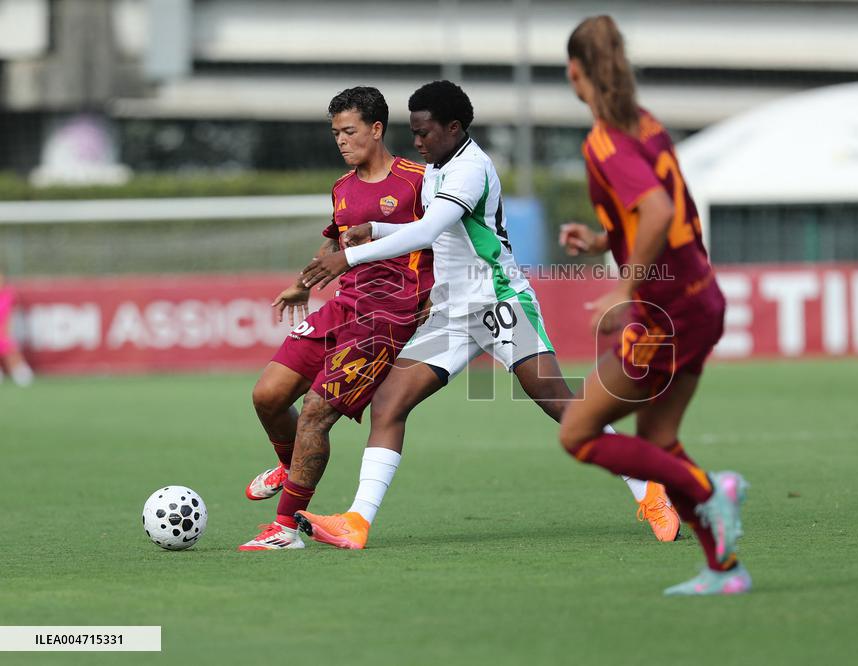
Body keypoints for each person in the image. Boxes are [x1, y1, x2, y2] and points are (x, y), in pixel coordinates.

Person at [292, 80, 680, 550]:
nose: (417, 142)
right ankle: (358, 521)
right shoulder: (439, 165)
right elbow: (429, 228)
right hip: (454, 311)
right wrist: (375, 226)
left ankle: (650, 486)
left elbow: (429, 229)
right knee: (389, 403)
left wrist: (348, 258)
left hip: (498, 302)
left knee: (560, 403)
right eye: (413, 132)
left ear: (454, 128)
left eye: (425, 132)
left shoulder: (470, 168)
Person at [555, 16, 751, 595]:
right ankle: (724, 570)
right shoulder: (645, 125)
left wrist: (623, 286)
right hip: (701, 299)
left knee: (578, 434)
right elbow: (648, 209)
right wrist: (601, 239)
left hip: (665, 311)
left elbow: (660, 211)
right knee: (659, 436)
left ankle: (711, 489)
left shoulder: (602, 141)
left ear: (574, 72)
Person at [238, 86, 434, 550]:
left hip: (387, 316)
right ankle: (290, 465)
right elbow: (334, 241)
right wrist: (302, 284)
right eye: (335, 133)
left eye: (349, 131)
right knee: (267, 395)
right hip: (343, 306)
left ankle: (285, 529)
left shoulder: (419, 181)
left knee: (314, 415)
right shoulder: (343, 187)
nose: (341, 141)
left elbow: (446, 236)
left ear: (377, 128)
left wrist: (436, 293)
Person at [0, 272, 34, 387]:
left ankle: (22, 375)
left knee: (10, 352)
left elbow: (10, 315)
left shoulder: (8, 294)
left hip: (4, 333)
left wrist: (8, 331)